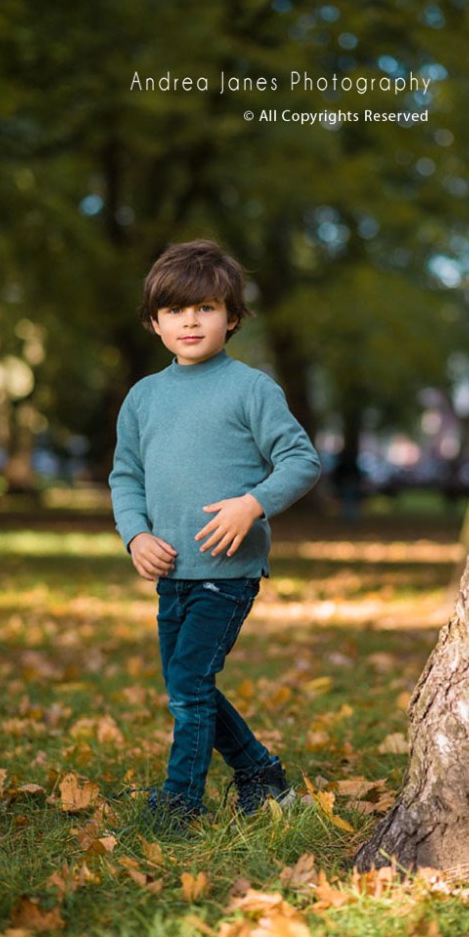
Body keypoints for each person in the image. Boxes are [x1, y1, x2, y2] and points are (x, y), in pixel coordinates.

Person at [109, 239, 321, 832]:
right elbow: (125, 475)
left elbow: (301, 460)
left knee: (188, 684)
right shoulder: (144, 397)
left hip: (228, 572)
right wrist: (135, 536)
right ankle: (261, 774)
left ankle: (179, 802)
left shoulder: (252, 389)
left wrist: (252, 504)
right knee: (188, 683)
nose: (191, 321)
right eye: (176, 310)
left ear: (233, 317)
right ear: (155, 323)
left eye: (205, 308)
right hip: (171, 569)